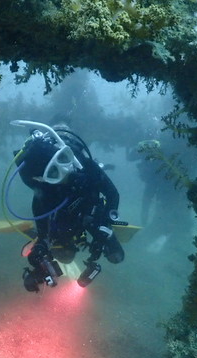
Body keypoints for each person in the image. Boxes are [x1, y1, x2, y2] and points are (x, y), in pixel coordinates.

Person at [10, 120, 124, 292]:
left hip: (89, 213)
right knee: (64, 255)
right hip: (65, 219)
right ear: (42, 177)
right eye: (54, 171)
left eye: (63, 159)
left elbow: (112, 194)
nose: (64, 171)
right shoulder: (43, 189)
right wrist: (40, 253)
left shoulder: (85, 165)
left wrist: (104, 228)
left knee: (116, 255)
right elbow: (43, 226)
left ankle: (94, 236)